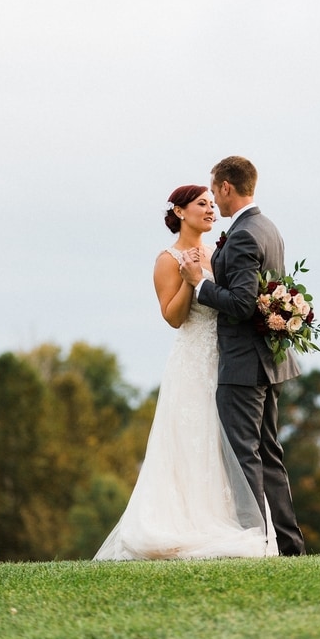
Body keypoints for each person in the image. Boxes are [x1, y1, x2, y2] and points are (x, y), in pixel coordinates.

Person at [94, 184, 275, 560]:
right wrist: (192, 279)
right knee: (194, 439)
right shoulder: (167, 258)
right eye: (201, 204)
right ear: (179, 212)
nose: (210, 209)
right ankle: (186, 524)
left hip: (225, 358)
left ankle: (233, 519)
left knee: (225, 441)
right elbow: (173, 318)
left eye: (212, 203)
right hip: (192, 359)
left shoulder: (218, 250)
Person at [180, 156, 306, 556]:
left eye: (214, 189)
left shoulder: (244, 235)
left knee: (243, 456)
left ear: (227, 187)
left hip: (242, 364)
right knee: (269, 454)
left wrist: (200, 284)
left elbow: (241, 303)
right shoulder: (268, 228)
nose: (214, 198)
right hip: (268, 361)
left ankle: (255, 543)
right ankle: (288, 545)